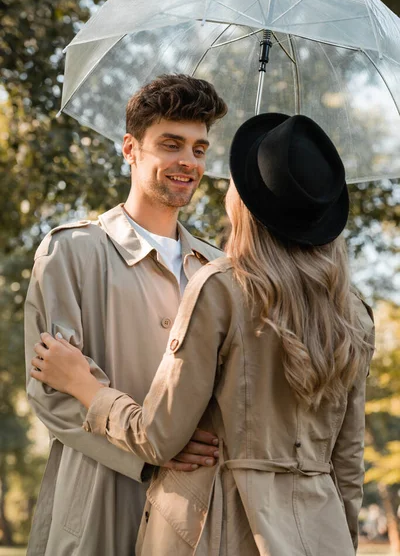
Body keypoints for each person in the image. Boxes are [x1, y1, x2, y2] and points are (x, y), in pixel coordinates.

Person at [31, 113, 375, 556]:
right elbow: (347, 466)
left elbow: (156, 437)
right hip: (321, 534)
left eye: (204, 153)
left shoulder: (221, 285)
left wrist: (86, 387)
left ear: (245, 201)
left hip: (223, 527)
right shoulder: (354, 312)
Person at [24, 74, 227, 556]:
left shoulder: (220, 270)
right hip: (96, 500)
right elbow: (53, 393)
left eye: (199, 149)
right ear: (130, 149)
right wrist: (156, 447)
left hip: (196, 511)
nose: (188, 162)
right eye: (171, 144)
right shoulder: (69, 252)